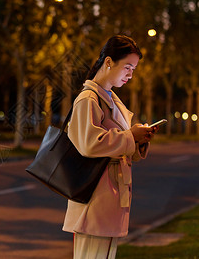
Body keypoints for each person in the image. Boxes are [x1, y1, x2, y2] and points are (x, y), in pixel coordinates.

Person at [63, 35, 157, 258]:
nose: (130, 74)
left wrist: (138, 139)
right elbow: (89, 144)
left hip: (108, 197)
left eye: (133, 68)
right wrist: (130, 137)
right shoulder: (88, 99)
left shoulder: (110, 99)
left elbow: (117, 142)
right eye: (127, 67)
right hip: (95, 198)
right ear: (108, 62)